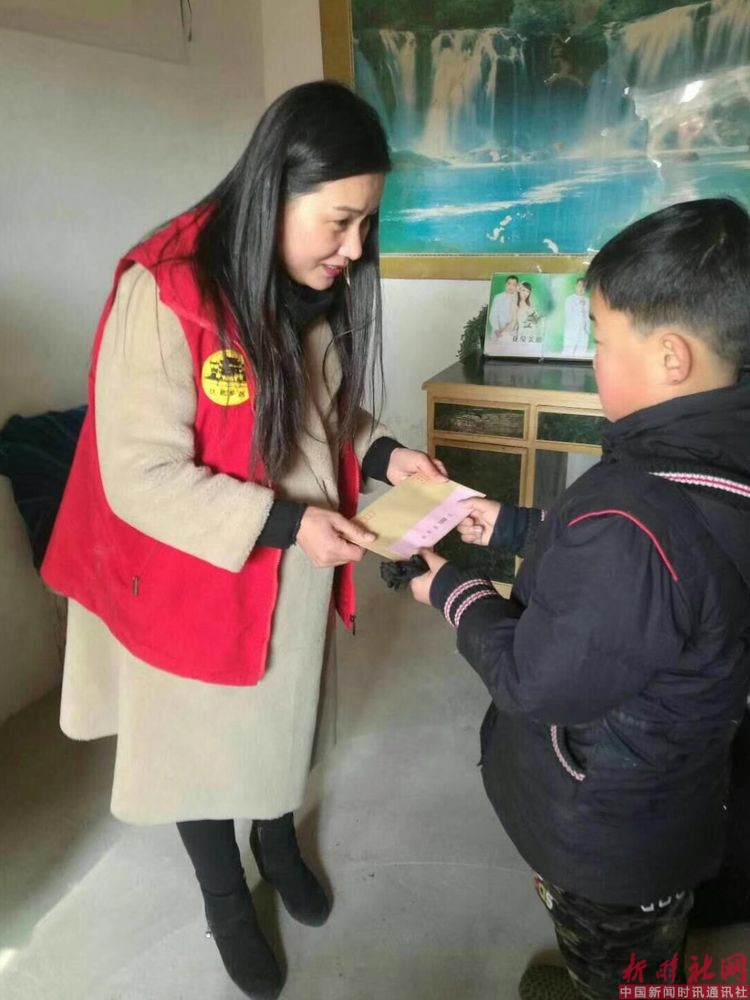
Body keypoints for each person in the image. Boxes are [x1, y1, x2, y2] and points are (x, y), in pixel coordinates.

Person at [41, 81, 446, 1000]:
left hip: (293, 559)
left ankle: (275, 837)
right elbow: (139, 474)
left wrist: (387, 455)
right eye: (339, 222)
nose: (355, 249)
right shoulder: (165, 290)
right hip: (194, 566)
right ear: (277, 189)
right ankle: (226, 897)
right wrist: (286, 523)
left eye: (367, 225)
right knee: (196, 746)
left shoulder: (306, 283)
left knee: (278, 721)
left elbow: (323, 415)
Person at [408, 198, 750, 999]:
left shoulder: (636, 517)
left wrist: (451, 588)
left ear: (670, 358)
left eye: (599, 338)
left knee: (618, 969)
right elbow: (651, 577)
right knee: (649, 953)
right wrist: (510, 525)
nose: (593, 358)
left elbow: (536, 680)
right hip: (677, 796)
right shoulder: (699, 462)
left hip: (614, 836)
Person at [563, 277, 591, 356]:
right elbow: (568, 315)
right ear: (576, 286)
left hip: (584, 331)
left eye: (583, 286)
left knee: (581, 352)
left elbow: (588, 316)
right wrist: (579, 306)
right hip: (572, 330)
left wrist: (587, 329)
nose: (581, 288)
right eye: (579, 285)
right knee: (568, 352)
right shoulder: (569, 299)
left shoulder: (587, 300)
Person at [488, 274, 519, 340]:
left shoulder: (518, 298)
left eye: (514, 285)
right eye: (509, 283)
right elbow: (493, 315)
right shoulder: (498, 297)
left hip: (512, 332)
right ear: (505, 284)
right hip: (498, 332)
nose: (511, 286)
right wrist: (496, 329)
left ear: (516, 287)